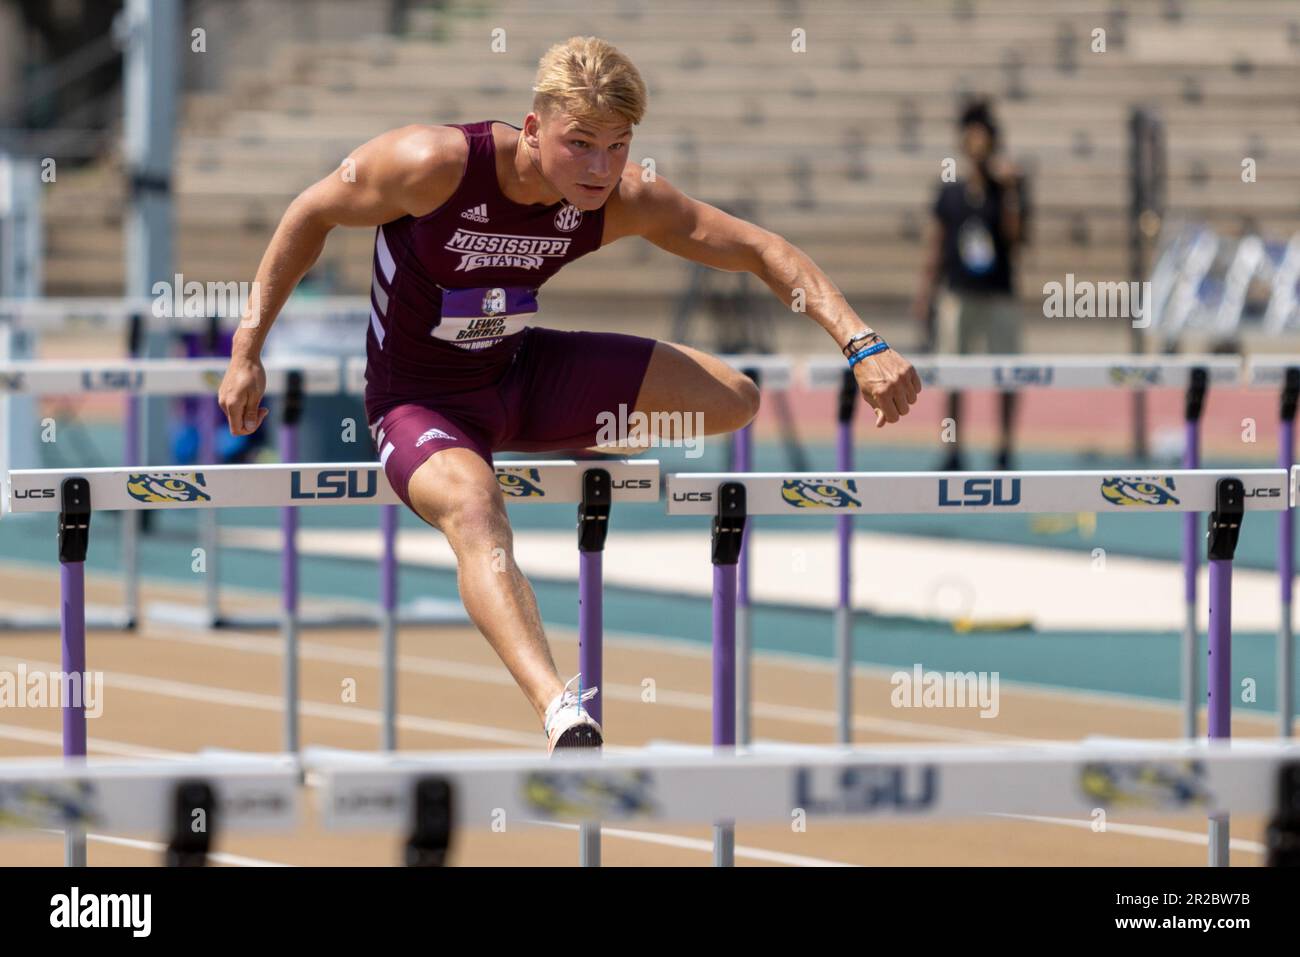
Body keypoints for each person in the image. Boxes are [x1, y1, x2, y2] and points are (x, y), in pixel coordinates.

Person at [218, 36, 921, 753]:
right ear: (532, 129)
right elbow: (310, 213)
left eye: (617, 146)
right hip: (419, 400)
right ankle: (558, 706)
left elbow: (758, 248)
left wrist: (860, 342)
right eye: (580, 144)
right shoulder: (433, 166)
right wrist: (248, 349)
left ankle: (559, 441)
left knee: (733, 398)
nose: (599, 168)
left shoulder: (618, 197)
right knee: (473, 508)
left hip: (523, 376)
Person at [913, 98, 1027, 471]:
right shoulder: (950, 191)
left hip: (999, 293)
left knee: (1007, 374)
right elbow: (936, 243)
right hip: (958, 293)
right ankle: (953, 448)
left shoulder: (1007, 189)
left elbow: (1018, 239)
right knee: (952, 374)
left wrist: (1010, 192)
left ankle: (1005, 448)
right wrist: (925, 292)